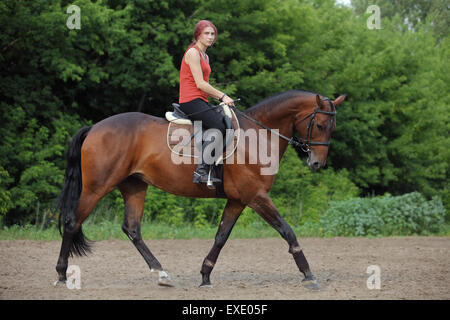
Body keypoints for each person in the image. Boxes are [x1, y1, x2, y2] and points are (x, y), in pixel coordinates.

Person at [179, 20, 234, 185]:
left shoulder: (205, 56)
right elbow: (200, 84)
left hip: (201, 99)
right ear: (198, 35)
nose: (210, 37)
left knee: (227, 122)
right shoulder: (193, 53)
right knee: (218, 126)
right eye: (207, 34)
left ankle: (215, 167)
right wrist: (223, 96)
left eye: (212, 34)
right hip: (190, 100)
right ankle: (201, 172)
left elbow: (205, 86)